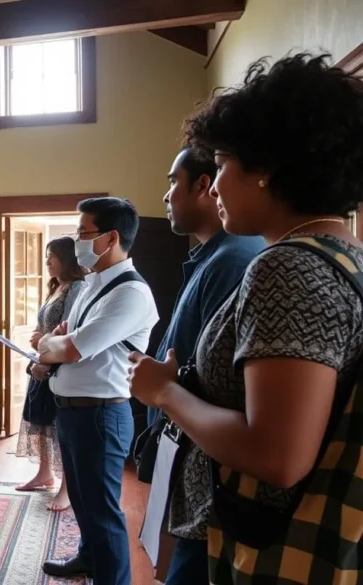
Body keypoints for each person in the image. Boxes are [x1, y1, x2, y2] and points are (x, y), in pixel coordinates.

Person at [129, 53, 363, 585]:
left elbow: (276, 454)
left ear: (266, 169)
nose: (214, 186)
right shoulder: (344, 255)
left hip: (259, 540)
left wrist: (164, 393)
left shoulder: (287, 267)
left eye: (223, 164)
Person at [147, 148, 265, 585]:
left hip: (215, 479)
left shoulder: (235, 260)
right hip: (194, 459)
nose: (166, 196)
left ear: (203, 185)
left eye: (172, 182)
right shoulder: (212, 256)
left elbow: (222, 383)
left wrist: (163, 389)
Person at [37, 197, 159, 584]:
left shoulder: (130, 293)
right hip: (73, 410)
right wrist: (55, 345)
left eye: (83, 233)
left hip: (101, 414)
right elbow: (63, 338)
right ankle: (88, 558)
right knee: (84, 501)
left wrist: (52, 344)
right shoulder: (92, 284)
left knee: (103, 512)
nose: (77, 242)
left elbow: (70, 347)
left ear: (111, 238)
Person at [15, 236, 87, 512]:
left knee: (59, 428)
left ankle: (67, 488)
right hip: (42, 362)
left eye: (52, 256)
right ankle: (44, 474)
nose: (47, 261)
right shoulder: (56, 287)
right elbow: (43, 325)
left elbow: (69, 330)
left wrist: (43, 350)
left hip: (58, 366)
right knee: (41, 422)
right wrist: (37, 340)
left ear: (67, 259)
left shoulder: (77, 287)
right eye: (47, 256)